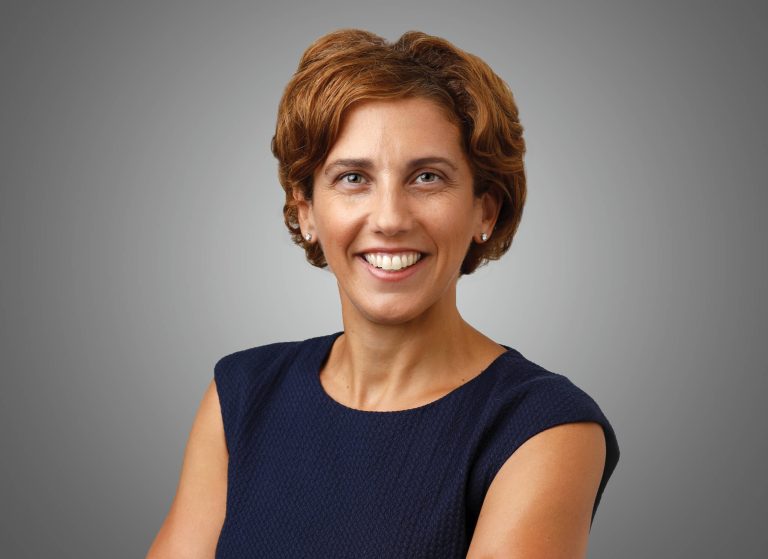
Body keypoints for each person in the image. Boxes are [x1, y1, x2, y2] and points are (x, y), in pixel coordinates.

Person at [147, 29, 619, 559]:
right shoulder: (241, 393)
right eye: (353, 178)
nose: (390, 219)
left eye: (427, 177)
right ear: (306, 211)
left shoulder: (544, 426)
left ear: (484, 211)